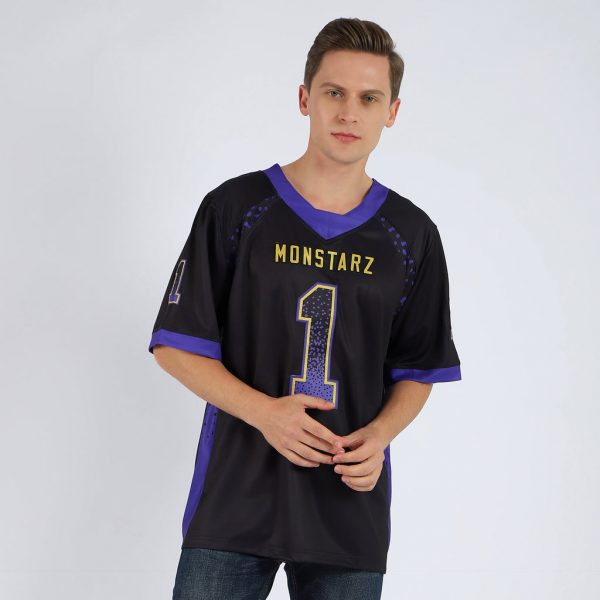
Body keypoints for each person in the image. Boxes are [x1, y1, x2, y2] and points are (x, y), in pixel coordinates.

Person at [148, 17, 461, 600]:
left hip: (348, 503)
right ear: (304, 99)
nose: (349, 113)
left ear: (392, 111)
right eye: (334, 92)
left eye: (369, 98)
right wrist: (266, 413)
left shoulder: (411, 233)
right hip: (236, 496)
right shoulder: (236, 207)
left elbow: (419, 367)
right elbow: (175, 344)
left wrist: (380, 436)